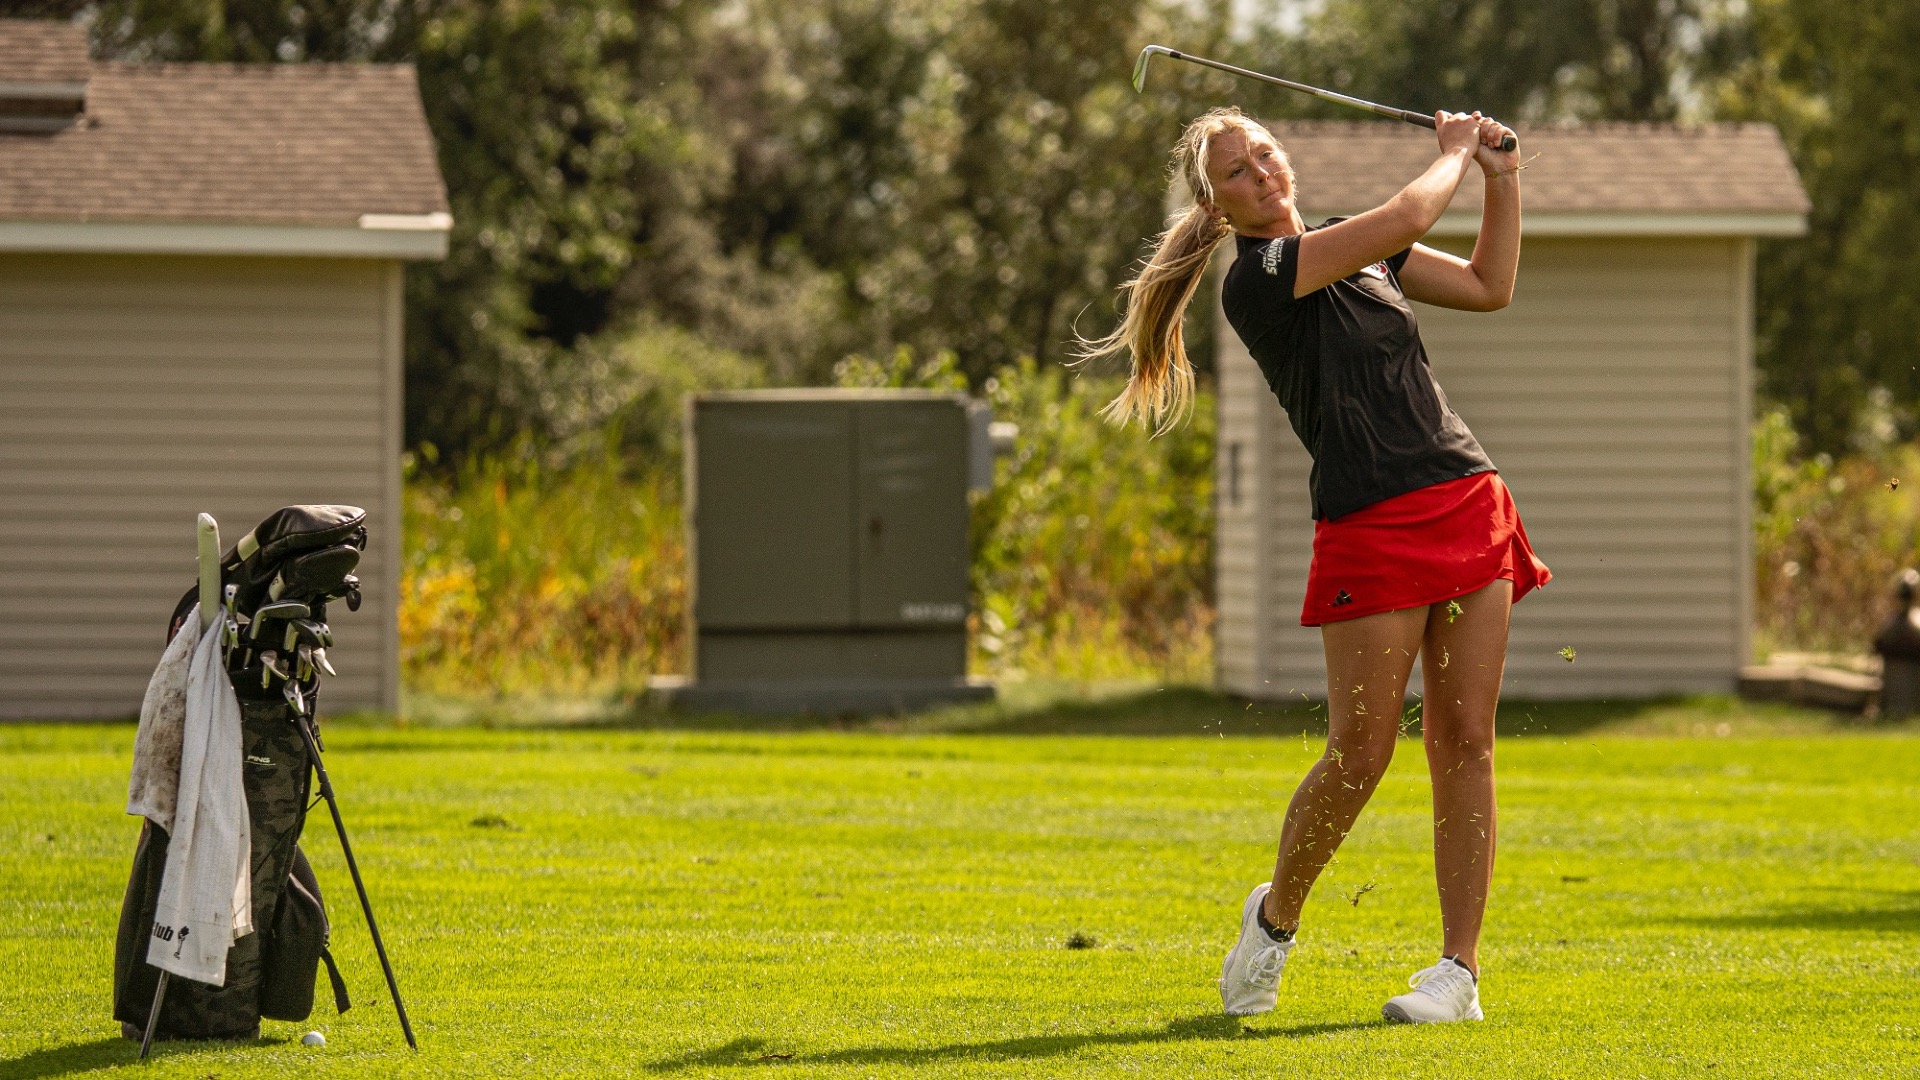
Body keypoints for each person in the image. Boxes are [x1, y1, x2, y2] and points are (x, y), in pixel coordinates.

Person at [1078, 106, 1549, 1024]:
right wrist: (1452, 152)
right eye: (1238, 173)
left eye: (1263, 152)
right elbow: (1411, 215)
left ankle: (1459, 974)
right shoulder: (1259, 278)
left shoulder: (1350, 245)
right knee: (1361, 752)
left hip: (1465, 498)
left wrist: (1502, 178)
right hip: (1368, 523)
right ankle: (1274, 920)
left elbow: (1492, 286)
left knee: (1466, 741)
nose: (1261, 171)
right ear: (1218, 208)